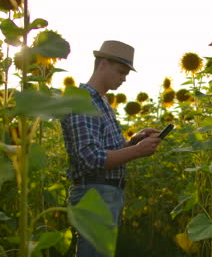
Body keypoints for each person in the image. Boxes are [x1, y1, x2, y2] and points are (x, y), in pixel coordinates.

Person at [60, 40, 162, 257]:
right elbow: (90, 158)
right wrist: (138, 151)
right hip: (94, 192)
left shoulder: (101, 101)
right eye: (120, 72)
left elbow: (105, 150)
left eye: (126, 74)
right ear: (103, 64)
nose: (124, 78)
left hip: (105, 192)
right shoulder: (82, 100)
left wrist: (133, 141)